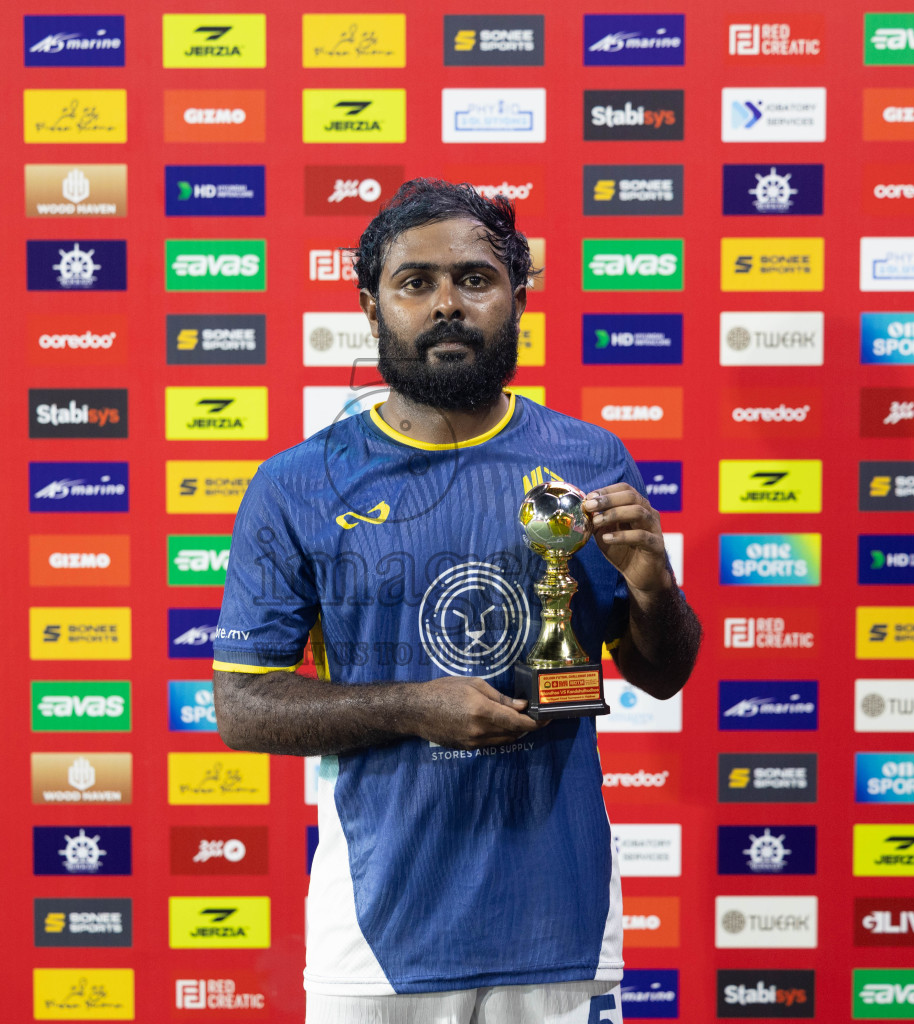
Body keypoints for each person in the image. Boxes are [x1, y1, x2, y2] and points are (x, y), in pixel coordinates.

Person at [211, 178, 702, 1024]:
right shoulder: (296, 483)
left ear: (519, 295)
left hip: (558, 921)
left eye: (475, 279)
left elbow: (663, 675)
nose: (447, 303)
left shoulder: (589, 455)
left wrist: (654, 584)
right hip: (375, 936)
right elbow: (243, 707)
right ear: (372, 309)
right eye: (416, 283)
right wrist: (412, 706)